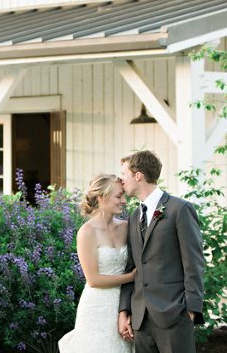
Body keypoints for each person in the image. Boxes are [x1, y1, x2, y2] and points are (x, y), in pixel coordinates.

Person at [118, 150, 205, 353]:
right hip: (140, 319)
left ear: (137, 175)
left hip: (174, 315)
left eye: (124, 175)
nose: (122, 181)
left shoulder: (179, 209)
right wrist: (125, 311)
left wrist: (190, 310)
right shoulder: (133, 217)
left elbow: (194, 262)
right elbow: (131, 267)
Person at [59, 174, 136, 353]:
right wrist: (131, 277)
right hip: (97, 308)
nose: (124, 201)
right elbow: (94, 280)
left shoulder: (126, 227)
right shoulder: (87, 232)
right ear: (101, 198)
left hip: (124, 302)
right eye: (118, 196)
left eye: (123, 195)